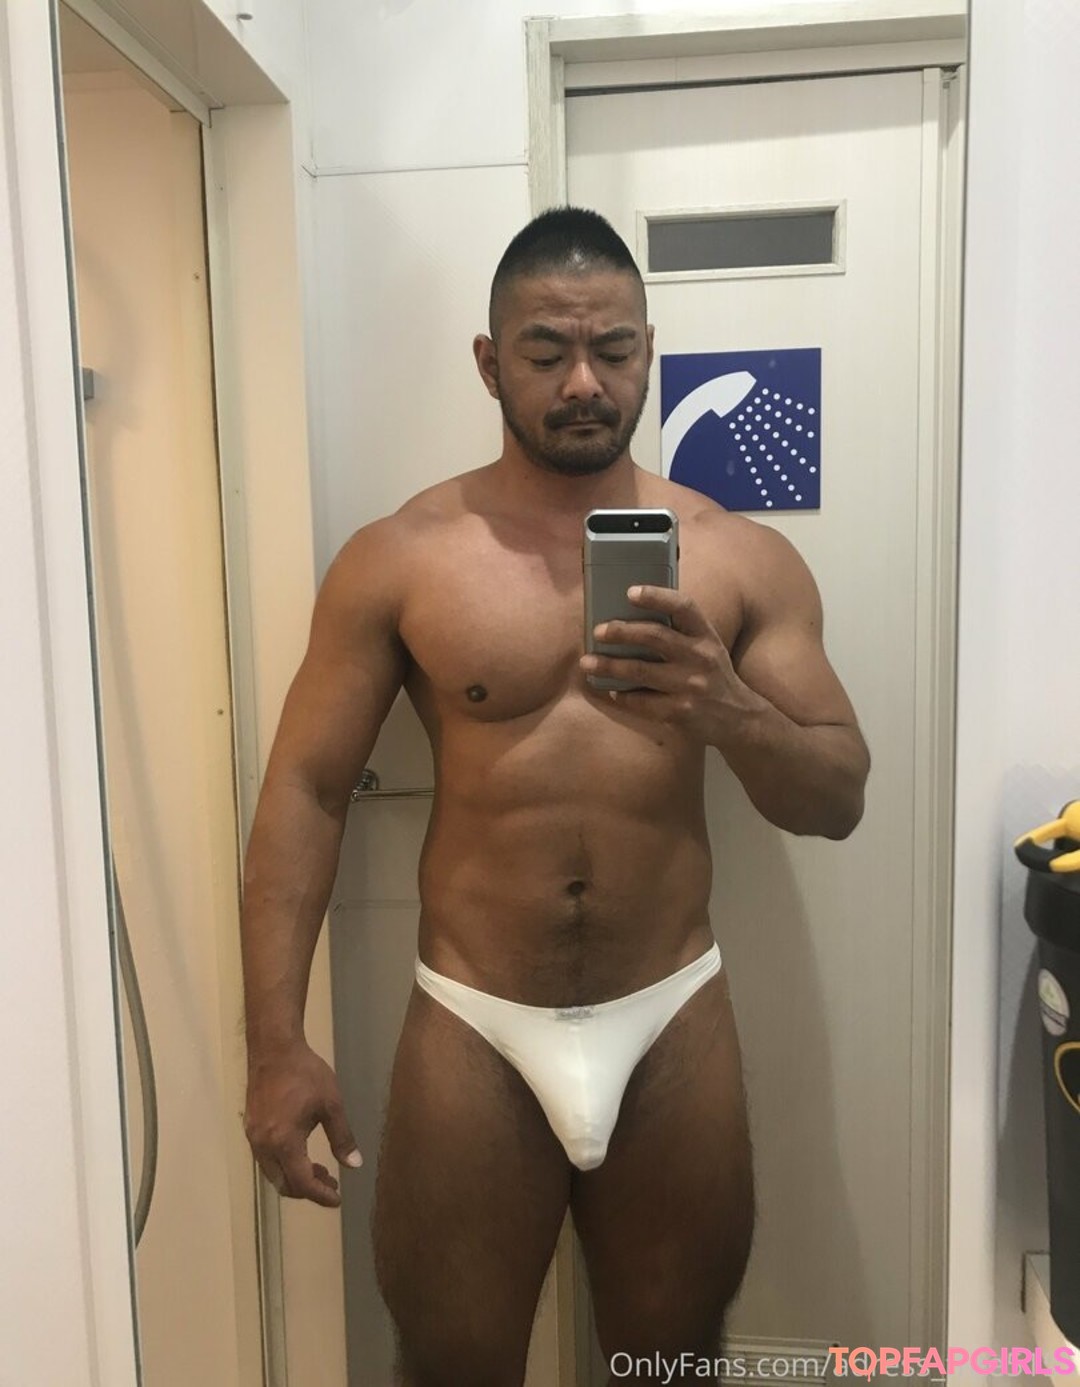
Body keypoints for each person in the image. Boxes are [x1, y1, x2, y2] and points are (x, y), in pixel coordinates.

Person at [241, 206, 870, 1386]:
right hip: (474, 1020)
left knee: (670, 1365)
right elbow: (308, 792)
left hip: (670, 1012)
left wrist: (725, 707)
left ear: (649, 353)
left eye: (613, 349)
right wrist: (275, 1044)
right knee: (451, 1366)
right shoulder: (400, 557)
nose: (584, 381)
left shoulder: (737, 556)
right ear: (491, 363)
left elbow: (838, 794)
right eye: (546, 352)